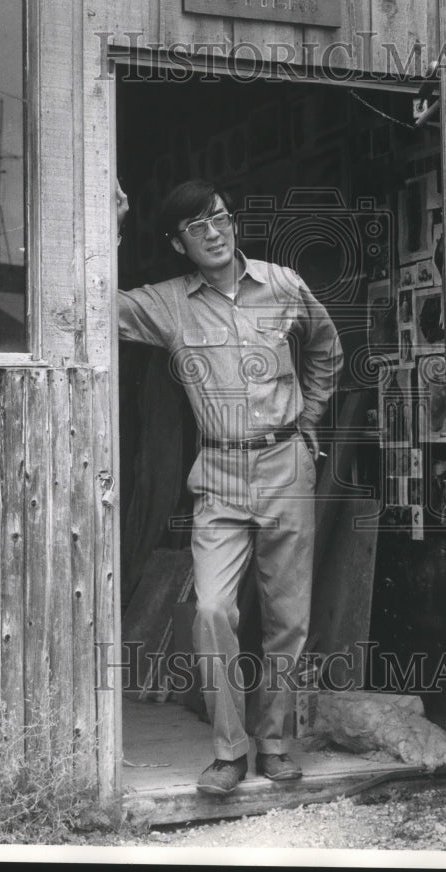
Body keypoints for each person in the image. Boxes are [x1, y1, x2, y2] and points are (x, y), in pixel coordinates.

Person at [116, 178, 343, 795]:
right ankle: (228, 749)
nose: (213, 233)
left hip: (285, 464)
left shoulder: (284, 284)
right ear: (177, 243)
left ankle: (274, 742)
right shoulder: (166, 304)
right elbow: (88, 305)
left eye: (219, 219)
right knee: (214, 607)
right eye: (196, 228)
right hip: (217, 472)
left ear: (232, 222)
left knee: (287, 617)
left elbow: (326, 348)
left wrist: (311, 421)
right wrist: (107, 221)